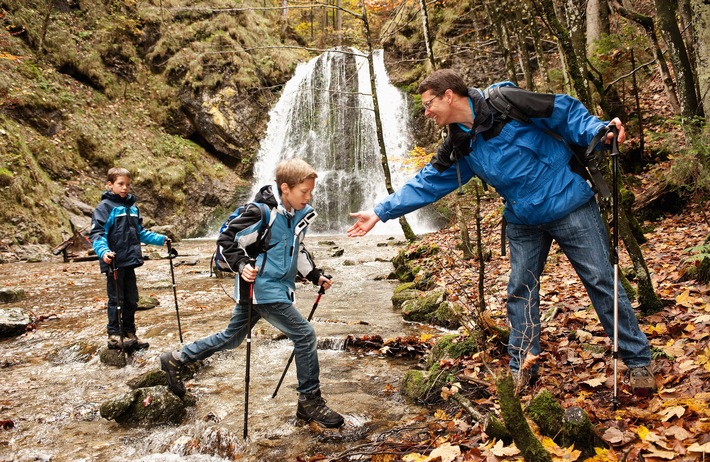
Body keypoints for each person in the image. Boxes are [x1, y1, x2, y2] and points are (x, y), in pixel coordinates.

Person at [348, 69, 656, 396]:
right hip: (523, 218)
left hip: (568, 201)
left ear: (449, 95)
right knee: (520, 291)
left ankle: (638, 361)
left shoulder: (506, 102)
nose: (426, 113)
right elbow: (426, 183)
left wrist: (598, 130)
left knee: (600, 280)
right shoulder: (459, 143)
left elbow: (563, 112)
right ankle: (522, 368)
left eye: (428, 104)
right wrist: (380, 213)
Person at [159, 158, 345, 428]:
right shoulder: (261, 213)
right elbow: (226, 240)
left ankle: (177, 358)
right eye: (304, 191)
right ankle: (309, 401)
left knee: (231, 338)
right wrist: (242, 265)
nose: (309, 196)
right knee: (304, 335)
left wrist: (314, 275)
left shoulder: (296, 216)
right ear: (285, 188)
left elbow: (297, 250)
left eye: (311, 191)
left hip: (267, 291)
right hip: (263, 289)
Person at [90, 167, 169, 350]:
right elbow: (97, 234)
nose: (125, 188)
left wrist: (161, 239)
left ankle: (130, 333)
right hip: (114, 261)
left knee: (132, 299)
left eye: (127, 184)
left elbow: (140, 233)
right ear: (110, 185)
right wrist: (104, 252)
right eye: (120, 184)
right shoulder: (104, 208)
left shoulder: (132, 208)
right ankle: (114, 335)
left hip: (130, 260)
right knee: (116, 300)